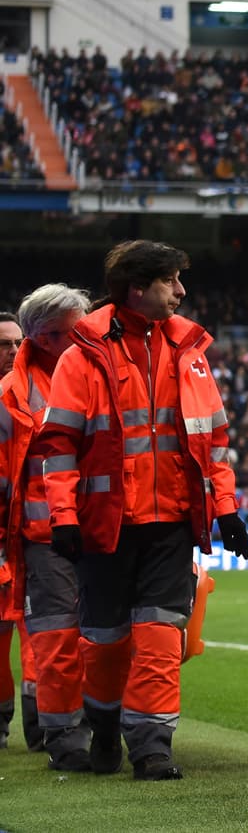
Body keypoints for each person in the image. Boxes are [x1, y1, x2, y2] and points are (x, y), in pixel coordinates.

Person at [39, 240, 248, 780]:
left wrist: (226, 507)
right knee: (106, 642)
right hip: (103, 525)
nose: (182, 292)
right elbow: (58, 444)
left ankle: (153, 746)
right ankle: (105, 728)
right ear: (138, 287)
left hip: (172, 522)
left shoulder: (191, 352)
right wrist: (63, 515)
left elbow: (214, 440)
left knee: (160, 635)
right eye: (171, 281)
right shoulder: (82, 354)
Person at [0, 285, 90, 769]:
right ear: (41, 336)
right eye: (64, 334)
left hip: (107, 531)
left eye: (80, 330)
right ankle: (64, 738)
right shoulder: (12, 393)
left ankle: (98, 726)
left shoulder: (108, 373)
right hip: (46, 536)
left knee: (106, 637)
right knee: (55, 640)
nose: (76, 341)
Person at [0, 309, 39, 753]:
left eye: (16, 342)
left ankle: (41, 727)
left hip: (33, 533)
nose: (12, 350)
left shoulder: (34, 392)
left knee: (41, 635)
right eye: (3, 344)